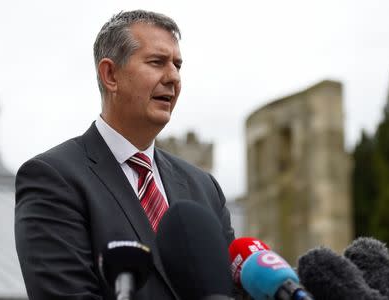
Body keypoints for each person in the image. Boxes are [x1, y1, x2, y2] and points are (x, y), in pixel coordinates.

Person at [15, 10, 235, 300]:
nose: (173, 77)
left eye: (177, 66)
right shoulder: (53, 178)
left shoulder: (204, 188)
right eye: (157, 62)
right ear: (111, 75)